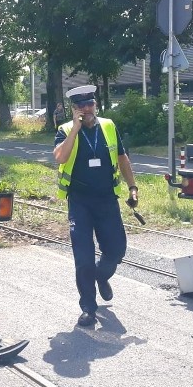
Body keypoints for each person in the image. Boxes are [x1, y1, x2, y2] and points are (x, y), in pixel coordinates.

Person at [53, 84, 139, 327]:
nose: (86, 109)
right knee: (84, 258)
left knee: (116, 250)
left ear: (96, 105)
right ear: (74, 109)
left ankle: (101, 276)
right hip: (79, 202)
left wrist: (132, 186)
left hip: (106, 199)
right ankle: (88, 307)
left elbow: (122, 158)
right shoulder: (66, 130)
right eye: (81, 105)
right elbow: (60, 157)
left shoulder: (109, 126)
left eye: (90, 104)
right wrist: (75, 130)